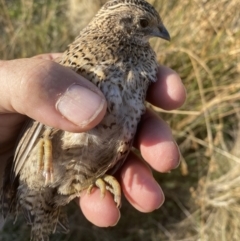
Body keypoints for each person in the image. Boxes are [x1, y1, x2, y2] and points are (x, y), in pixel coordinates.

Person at [0, 53, 186, 227]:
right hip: (27, 163)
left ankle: (84, 181)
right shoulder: (76, 59)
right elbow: (40, 117)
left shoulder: (140, 69)